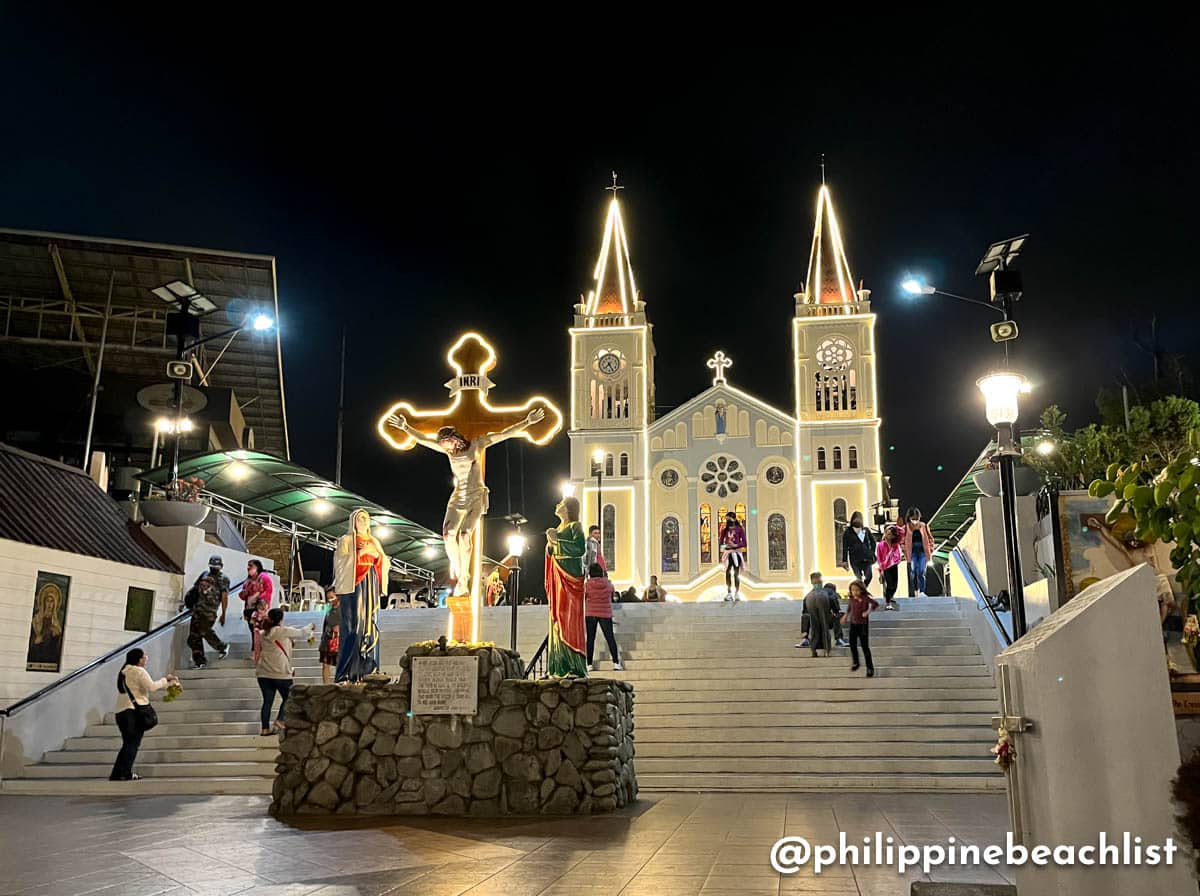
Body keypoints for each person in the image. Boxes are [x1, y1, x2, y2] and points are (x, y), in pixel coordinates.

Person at [385, 408, 545, 599]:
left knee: (464, 534)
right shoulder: (448, 451)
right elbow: (423, 440)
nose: (448, 447)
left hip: (476, 495)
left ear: (456, 438)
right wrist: (406, 427)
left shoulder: (476, 445)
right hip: (458, 496)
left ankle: (464, 577)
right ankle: (457, 565)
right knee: (447, 534)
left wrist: (527, 422)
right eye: (444, 445)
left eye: (448, 442)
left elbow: (504, 434)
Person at [333, 509, 388, 683]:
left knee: (369, 625)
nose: (364, 521)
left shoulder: (374, 541)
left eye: (366, 518)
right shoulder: (346, 540)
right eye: (360, 518)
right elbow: (340, 563)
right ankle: (348, 670)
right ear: (353, 522)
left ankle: (369, 667)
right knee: (354, 626)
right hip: (354, 585)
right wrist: (361, 555)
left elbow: (384, 561)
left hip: (370, 582)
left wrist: (376, 555)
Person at [110, 648, 178, 780]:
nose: (146, 658)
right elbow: (151, 687)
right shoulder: (138, 671)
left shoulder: (124, 672)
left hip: (121, 712)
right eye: (144, 656)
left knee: (128, 744)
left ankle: (119, 773)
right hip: (133, 713)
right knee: (132, 745)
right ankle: (123, 773)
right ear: (139, 659)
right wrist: (166, 680)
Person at [544, 494, 588, 677]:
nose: (557, 504)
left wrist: (556, 541)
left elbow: (580, 548)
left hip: (571, 580)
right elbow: (551, 554)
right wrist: (549, 546)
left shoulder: (575, 526)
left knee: (568, 619)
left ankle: (573, 666)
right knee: (557, 621)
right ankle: (557, 667)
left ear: (569, 508)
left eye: (561, 503)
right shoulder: (558, 528)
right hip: (558, 580)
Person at [256, 608, 315, 735]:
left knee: (267, 701)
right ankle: (280, 719)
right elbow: (302, 632)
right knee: (289, 697)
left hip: (263, 673)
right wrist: (311, 625)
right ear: (281, 619)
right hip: (281, 673)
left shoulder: (263, 634)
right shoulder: (282, 631)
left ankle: (265, 729)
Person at [584, 563, 624, 671]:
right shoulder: (609, 584)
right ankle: (616, 663)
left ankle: (589, 665)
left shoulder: (587, 585)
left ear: (590, 573)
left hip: (591, 613)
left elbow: (584, 597)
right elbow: (611, 597)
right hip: (605, 613)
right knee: (610, 638)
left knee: (591, 639)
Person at [185, 571, 228, 669]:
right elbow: (192, 596)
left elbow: (216, 602)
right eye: (202, 583)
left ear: (210, 584)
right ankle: (200, 662)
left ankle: (221, 646)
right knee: (193, 639)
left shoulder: (214, 593)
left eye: (205, 584)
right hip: (196, 615)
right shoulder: (199, 590)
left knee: (205, 632)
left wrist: (223, 614)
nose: (203, 585)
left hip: (207, 616)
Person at [841, 579, 879, 677]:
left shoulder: (865, 598)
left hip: (862, 625)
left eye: (857, 590)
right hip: (853, 624)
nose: (855, 592)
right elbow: (849, 608)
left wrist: (868, 611)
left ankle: (870, 668)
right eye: (853, 590)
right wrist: (845, 616)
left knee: (865, 647)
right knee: (852, 644)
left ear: (861, 590)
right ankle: (856, 662)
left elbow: (875, 604)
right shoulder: (852, 599)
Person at [241, 559, 273, 656]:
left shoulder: (264, 577)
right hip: (249, 608)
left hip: (259, 608)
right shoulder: (248, 581)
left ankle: (260, 650)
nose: (248, 568)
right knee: (253, 630)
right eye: (248, 565)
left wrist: (260, 600)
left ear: (257, 567)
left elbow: (269, 590)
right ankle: (256, 649)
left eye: (251, 566)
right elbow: (243, 595)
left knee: (259, 629)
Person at [901, 507, 935, 597]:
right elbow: (902, 541)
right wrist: (904, 552)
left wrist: (930, 549)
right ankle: (916, 590)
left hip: (923, 551)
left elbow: (930, 538)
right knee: (913, 571)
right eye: (913, 519)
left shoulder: (924, 526)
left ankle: (922, 591)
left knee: (921, 571)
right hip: (911, 552)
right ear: (909, 518)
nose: (915, 521)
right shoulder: (905, 528)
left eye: (917, 519)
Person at [840, 511, 876, 586]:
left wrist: (872, 552)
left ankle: (863, 589)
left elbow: (873, 542)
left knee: (869, 576)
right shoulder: (848, 532)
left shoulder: (866, 530)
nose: (857, 520)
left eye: (859, 519)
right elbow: (845, 547)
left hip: (866, 558)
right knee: (858, 578)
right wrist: (844, 560)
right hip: (855, 559)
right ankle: (861, 590)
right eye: (856, 519)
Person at [802, 574, 834, 657]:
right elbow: (833, 600)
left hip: (811, 603)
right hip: (824, 605)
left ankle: (814, 650)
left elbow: (805, 611)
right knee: (824, 626)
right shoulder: (827, 592)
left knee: (814, 627)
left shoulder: (808, 595)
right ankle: (827, 650)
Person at [718, 511, 747, 600]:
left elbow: (744, 542)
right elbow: (721, 543)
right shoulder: (724, 530)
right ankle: (729, 593)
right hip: (728, 553)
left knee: (736, 573)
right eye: (727, 519)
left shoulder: (740, 529)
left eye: (729, 519)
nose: (727, 521)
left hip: (736, 553)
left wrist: (735, 545)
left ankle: (737, 592)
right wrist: (726, 546)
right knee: (728, 572)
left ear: (734, 519)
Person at [877, 524, 903, 610]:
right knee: (889, 584)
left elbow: (902, 532)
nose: (888, 536)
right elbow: (879, 557)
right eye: (887, 534)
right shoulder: (881, 545)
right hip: (886, 567)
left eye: (890, 534)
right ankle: (888, 602)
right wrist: (880, 569)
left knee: (895, 585)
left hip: (894, 565)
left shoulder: (895, 543)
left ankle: (891, 597)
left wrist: (893, 526)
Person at [319, 587, 341, 685]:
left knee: (339, 663)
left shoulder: (344, 609)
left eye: (332, 597)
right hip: (327, 639)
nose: (330, 600)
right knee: (325, 664)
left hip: (338, 640)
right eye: (328, 598)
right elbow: (325, 623)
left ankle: (339, 682)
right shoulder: (329, 609)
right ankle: (326, 685)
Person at [825, 582, 849, 647]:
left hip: (815, 620)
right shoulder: (832, 593)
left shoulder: (818, 593)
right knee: (837, 616)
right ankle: (839, 639)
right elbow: (836, 609)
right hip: (827, 620)